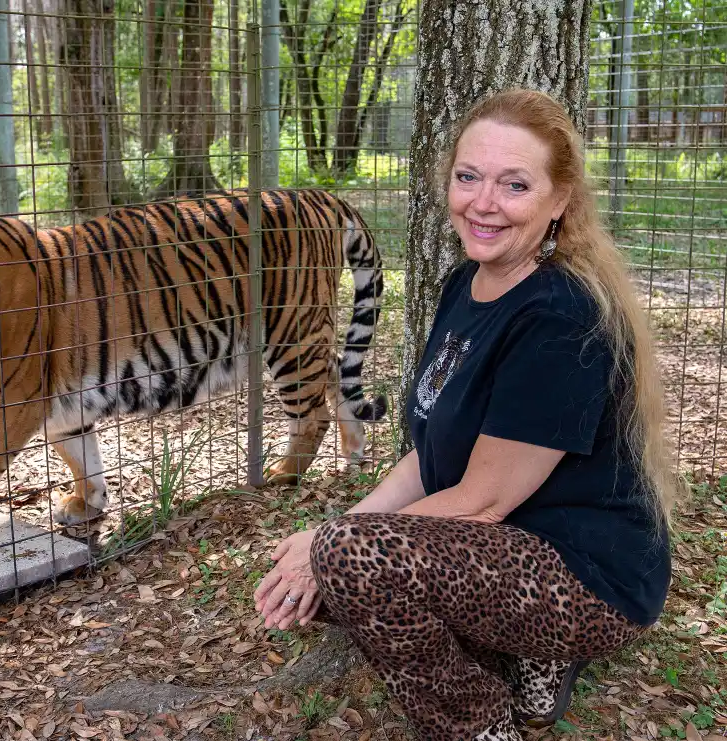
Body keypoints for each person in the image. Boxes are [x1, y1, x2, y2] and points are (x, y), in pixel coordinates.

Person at [254, 88, 678, 741]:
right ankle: (531, 658)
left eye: (514, 185)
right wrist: (335, 533)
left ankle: (479, 726)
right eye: (468, 177)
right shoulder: (466, 282)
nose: (483, 202)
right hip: (502, 548)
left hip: (588, 577)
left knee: (346, 559)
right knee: (338, 559)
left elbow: (480, 500)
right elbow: (431, 455)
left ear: (559, 199)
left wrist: (333, 546)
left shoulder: (561, 315)